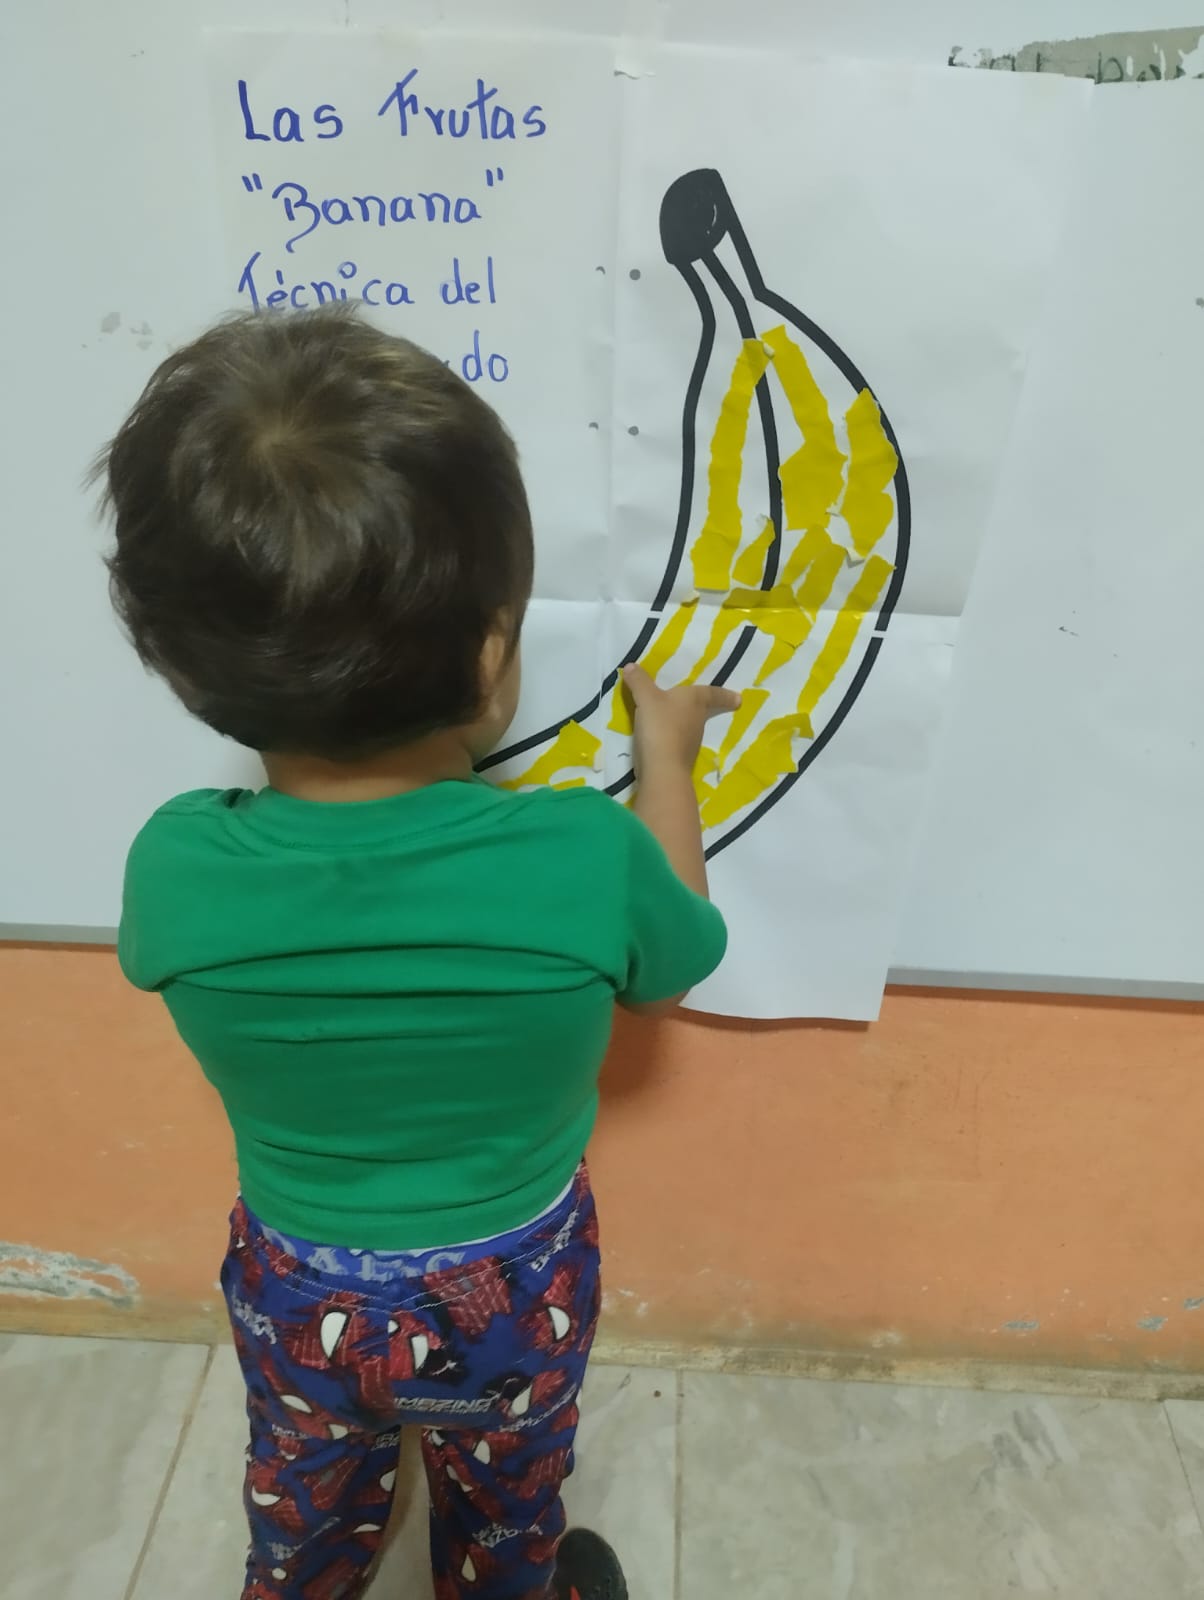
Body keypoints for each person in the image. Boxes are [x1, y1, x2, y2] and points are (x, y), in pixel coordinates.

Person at [94, 304, 735, 1600]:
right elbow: (677, 958)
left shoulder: (174, 864)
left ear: (177, 668)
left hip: (297, 1283)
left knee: (304, 1500)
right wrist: (665, 755)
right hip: (514, 1284)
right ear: (494, 651)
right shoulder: (580, 854)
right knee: (508, 1507)